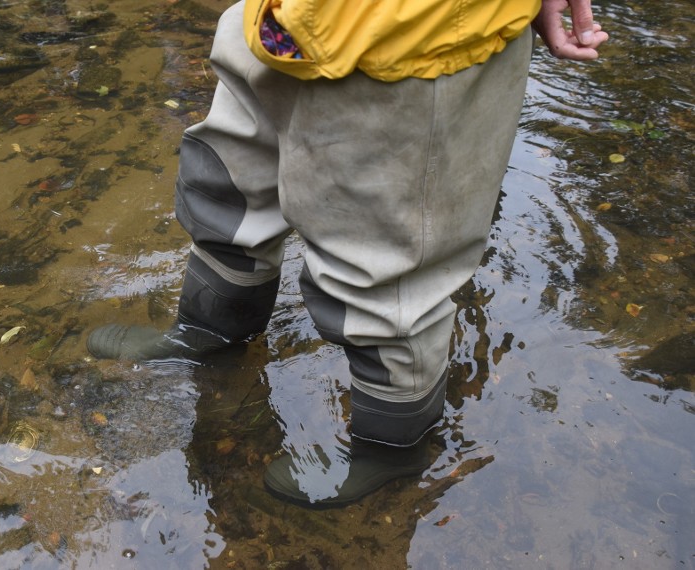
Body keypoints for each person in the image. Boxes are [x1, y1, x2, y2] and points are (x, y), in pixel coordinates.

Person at [87, 0, 608, 507]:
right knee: (227, 187)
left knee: (388, 272)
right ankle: (209, 333)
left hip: (414, 39)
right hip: (280, 21)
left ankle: (390, 449)